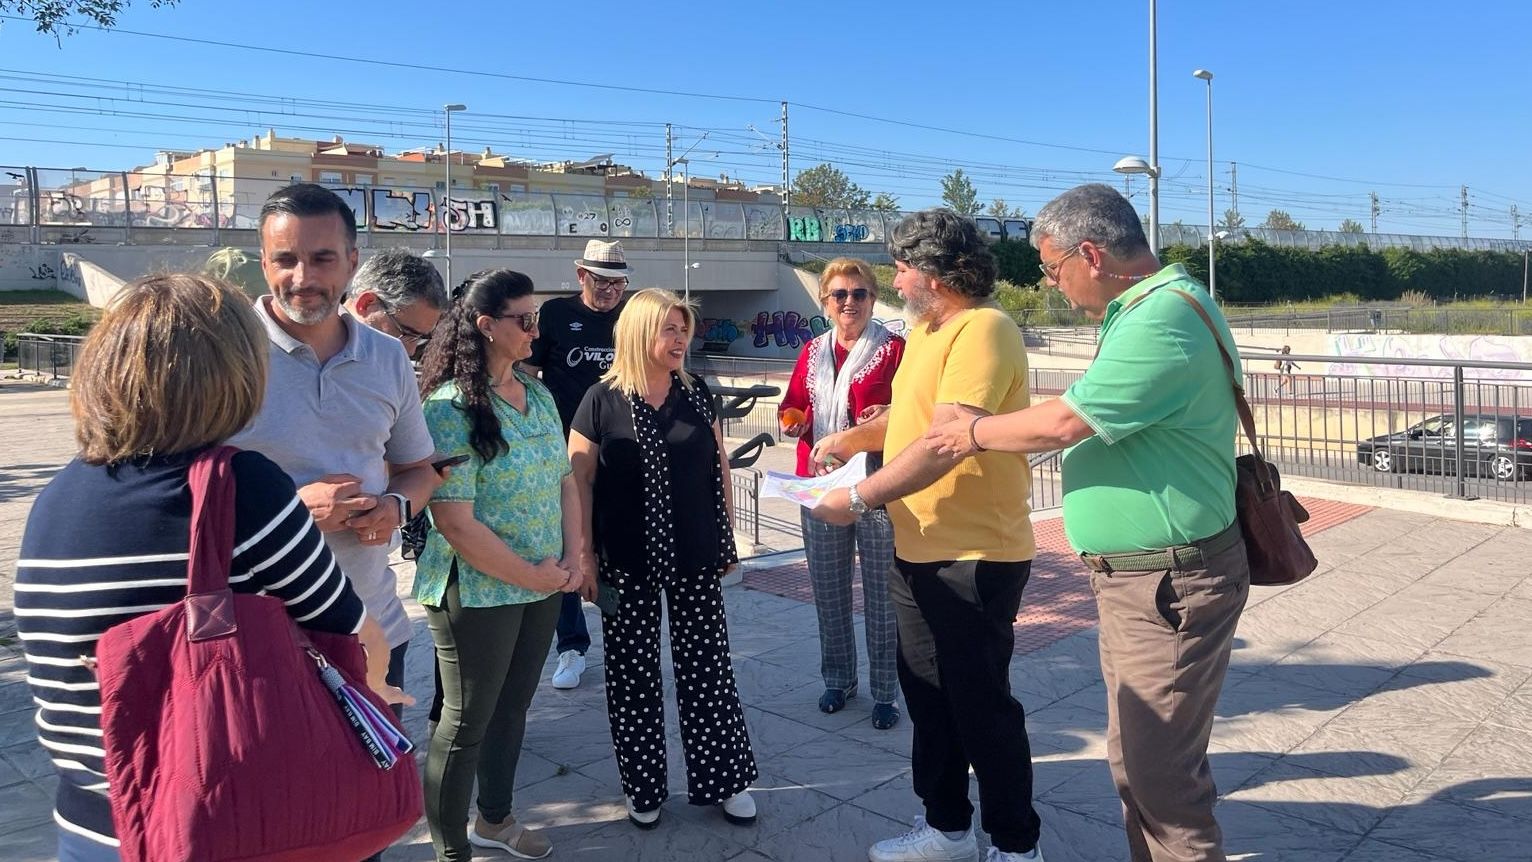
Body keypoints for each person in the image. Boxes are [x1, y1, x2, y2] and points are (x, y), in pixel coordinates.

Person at [15, 273, 404, 862]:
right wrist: (380, 691)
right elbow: (354, 632)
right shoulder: (237, 488)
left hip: (93, 826)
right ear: (233, 376)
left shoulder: (58, 496)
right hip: (219, 827)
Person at [925, 183, 1249, 862]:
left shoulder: (1161, 318)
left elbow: (1068, 421)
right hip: (1147, 584)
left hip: (1169, 584)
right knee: (1139, 767)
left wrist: (975, 431)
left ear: (1091, 254)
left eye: (1051, 267)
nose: (1053, 284)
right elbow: (1087, 407)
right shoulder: (1152, 307)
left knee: (1164, 785)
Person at [811, 210, 1044, 862]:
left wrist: (858, 496)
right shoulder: (926, 332)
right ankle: (946, 829)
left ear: (937, 273)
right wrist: (850, 440)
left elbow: (946, 441)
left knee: (981, 707)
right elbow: (911, 424)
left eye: (904, 266)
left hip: (971, 555)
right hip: (917, 548)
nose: (897, 278)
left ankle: (1015, 845)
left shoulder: (982, 329)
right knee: (929, 698)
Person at [229, 183, 441, 725]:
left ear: (352, 262)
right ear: (264, 261)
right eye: (285, 259)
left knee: (376, 806)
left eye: (322, 258)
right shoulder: (223, 353)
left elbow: (419, 469)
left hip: (375, 636)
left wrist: (396, 506)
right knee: (277, 807)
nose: (302, 278)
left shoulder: (388, 355)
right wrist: (294, 514)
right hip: (258, 643)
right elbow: (176, 493)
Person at [413, 268, 589, 862]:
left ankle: (495, 820)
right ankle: (450, 848)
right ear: (486, 326)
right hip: (477, 592)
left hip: (543, 583)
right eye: (526, 320)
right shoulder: (449, 408)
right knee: (465, 723)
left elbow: (564, 479)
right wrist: (537, 575)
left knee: (513, 708)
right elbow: (455, 521)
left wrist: (574, 555)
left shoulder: (537, 394)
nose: (537, 331)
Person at [568, 288, 758, 829]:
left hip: (695, 554)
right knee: (633, 676)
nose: (679, 339)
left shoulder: (697, 393)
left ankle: (725, 780)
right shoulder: (599, 400)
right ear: (638, 333)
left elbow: (717, 468)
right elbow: (578, 483)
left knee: (709, 669)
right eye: (668, 329)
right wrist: (584, 556)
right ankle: (644, 786)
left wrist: (726, 539)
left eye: (683, 329)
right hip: (625, 561)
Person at [778, 256, 905, 729]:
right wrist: (793, 420)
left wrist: (884, 417)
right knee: (828, 590)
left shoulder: (895, 350)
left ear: (873, 299)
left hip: (877, 485)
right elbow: (794, 404)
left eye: (859, 293)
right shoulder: (811, 351)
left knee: (882, 594)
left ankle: (886, 692)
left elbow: (911, 413)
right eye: (839, 295)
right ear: (825, 302)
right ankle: (838, 680)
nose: (849, 302)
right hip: (820, 484)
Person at [524, 238, 631, 690]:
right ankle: (571, 646)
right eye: (600, 280)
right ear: (580, 275)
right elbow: (527, 374)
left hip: (621, 451)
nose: (609, 290)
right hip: (563, 450)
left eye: (617, 283)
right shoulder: (553, 315)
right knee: (566, 545)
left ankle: (624, 639)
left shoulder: (631, 318)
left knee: (617, 550)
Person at [344, 246, 449, 361]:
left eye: (422, 338)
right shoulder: (322, 355)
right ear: (366, 303)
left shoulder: (396, 369)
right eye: (406, 333)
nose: (411, 351)